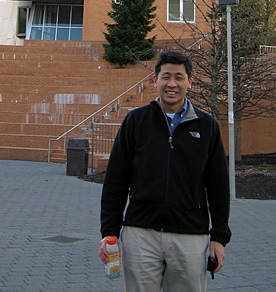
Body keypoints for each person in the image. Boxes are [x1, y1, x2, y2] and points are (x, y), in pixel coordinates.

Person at [99, 50, 231, 291]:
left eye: (179, 77)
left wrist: (219, 238)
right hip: (141, 235)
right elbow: (116, 181)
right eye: (166, 76)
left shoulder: (207, 126)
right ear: (154, 80)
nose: (172, 84)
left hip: (190, 237)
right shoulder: (136, 122)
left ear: (189, 82)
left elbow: (219, 186)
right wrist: (109, 232)